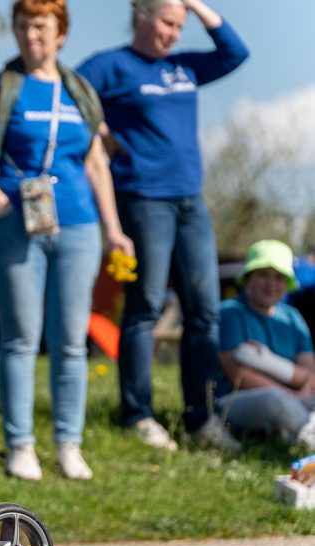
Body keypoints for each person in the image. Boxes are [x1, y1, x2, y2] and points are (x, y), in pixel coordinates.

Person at [0, 0, 134, 481]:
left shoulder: (79, 92)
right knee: (21, 338)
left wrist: (113, 228)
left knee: (72, 342)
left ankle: (68, 444)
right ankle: (20, 444)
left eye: (40, 26)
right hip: (14, 222)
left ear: (60, 34)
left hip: (77, 226)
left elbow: (97, 165)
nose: (31, 35)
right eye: (22, 26)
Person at [76, 0, 249, 452]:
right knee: (146, 305)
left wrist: (193, 4)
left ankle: (201, 417)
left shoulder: (184, 67)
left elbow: (235, 51)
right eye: (168, 22)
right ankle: (138, 413)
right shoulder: (111, 65)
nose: (174, 33)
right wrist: (101, 134)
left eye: (180, 25)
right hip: (142, 200)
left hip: (191, 201)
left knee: (205, 310)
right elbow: (69, 96)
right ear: (142, 16)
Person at [216, 240, 315, 450]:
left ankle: (299, 430)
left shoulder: (292, 317)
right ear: (248, 278)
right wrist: (291, 392)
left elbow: (310, 374)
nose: (271, 283)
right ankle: (305, 434)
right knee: (275, 401)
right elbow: (238, 375)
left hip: (295, 398)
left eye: (279, 277)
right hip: (238, 400)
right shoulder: (230, 313)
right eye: (263, 275)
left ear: (287, 284)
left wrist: (270, 362)